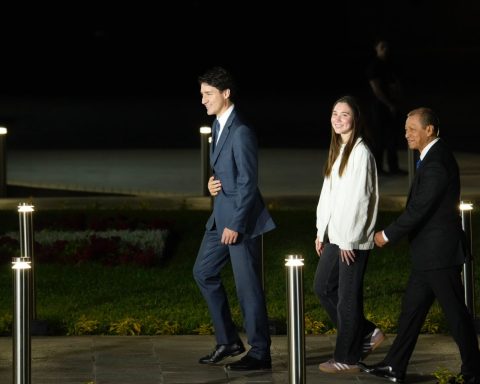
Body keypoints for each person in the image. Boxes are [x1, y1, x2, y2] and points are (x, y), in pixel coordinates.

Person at [359, 107, 480, 384]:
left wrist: (387, 235)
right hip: (428, 255)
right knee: (411, 311)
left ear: (430, 130)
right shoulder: (431, 157)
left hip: (439, 254)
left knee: (456, 315)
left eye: (412, 129)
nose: (406, 135)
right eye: (405, 129)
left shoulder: (437, 162)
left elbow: (419, 209)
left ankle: (474, 371)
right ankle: (394, 366)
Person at [193, 66, 276, 371]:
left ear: (225, 93)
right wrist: (214, 182)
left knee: (248, 288)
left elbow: (248, 183)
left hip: (240, 223)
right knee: (203, 272)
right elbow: (229, 172)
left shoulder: (240, 131)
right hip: (220, 219)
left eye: (208, 94)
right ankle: (228, 340)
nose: (203, 100)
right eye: (202, 94)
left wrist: (236, 225)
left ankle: (260, 352)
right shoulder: (217, 126)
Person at [314, 95, 385, 373]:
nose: (338, 119)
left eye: (344, 114)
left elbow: (361, 200)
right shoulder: (338, 150)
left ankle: (347, 357)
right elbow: (328, 196)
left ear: (355, 119)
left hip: (351, 239)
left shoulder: (361, 153)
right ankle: (367, 333)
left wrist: (351, 238)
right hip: (335, 236)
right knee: (322, 287)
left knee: (347, 299)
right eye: (334, 113)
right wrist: (322, 232)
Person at [366, 38, 406, 175]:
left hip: (391, 106)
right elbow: (376, 89)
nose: (385, 49)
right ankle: (378, 168)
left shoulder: (389, 65)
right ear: (376, 48)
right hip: (379, 107)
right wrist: (389, 104)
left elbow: (395, 84)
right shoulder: (374, 66)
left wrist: (396, 101)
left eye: (386, 47)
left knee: (392, 138)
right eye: (382, 47)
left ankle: (393, 167)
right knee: (379, 139)